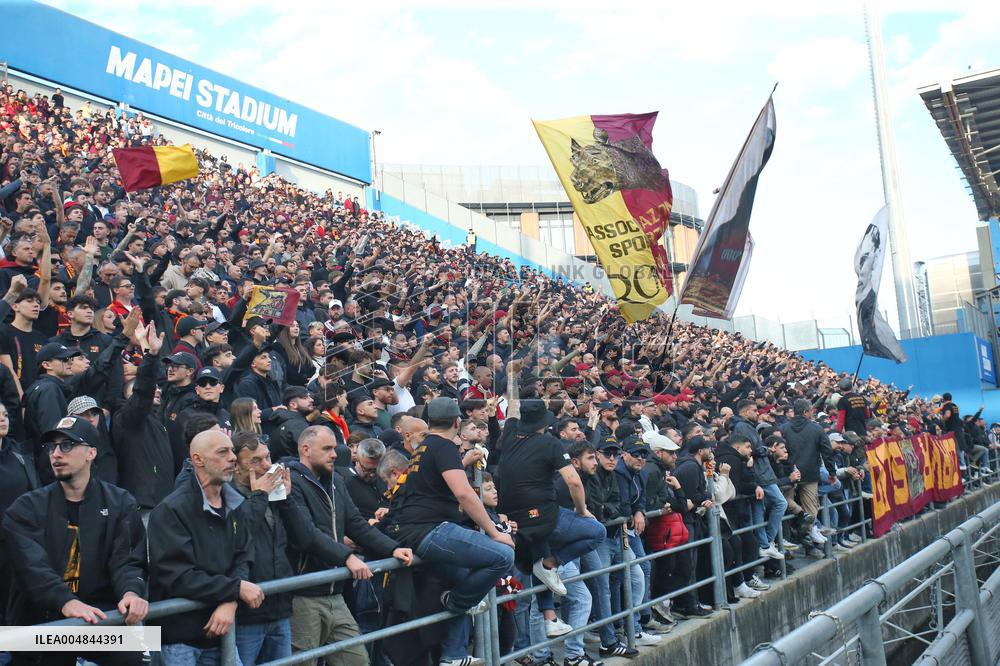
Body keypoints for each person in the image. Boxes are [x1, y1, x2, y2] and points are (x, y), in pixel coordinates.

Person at [3, 415, 148, 666]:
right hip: (41, 623)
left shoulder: (120, 502)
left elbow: (127, 560)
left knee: (137, 658)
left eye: (67, 446)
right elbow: (32, 569)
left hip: (99, 619)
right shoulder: (26, 508)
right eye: (52, 447)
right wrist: (66, 601)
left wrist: (131, 591)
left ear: (91, 453)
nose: (56, 454)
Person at [383, 398, 515, 666]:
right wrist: (494, 532)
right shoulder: (443, 446)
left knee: (463, 575)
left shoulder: (425, 447)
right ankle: (456, 602)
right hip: (428, 530)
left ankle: (453, 655)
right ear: (457, 422)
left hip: (416, 529)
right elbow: (464, 493)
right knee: (502, 556)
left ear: (430, 423)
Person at [283, 426, 413, 666]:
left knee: (356, 660)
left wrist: (392, 548)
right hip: (304, 594)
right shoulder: (291, 483)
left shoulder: (335, 481)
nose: (335, 454)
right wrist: (346, 557)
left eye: (334, 448)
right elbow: (306, 534)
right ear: (305, 449)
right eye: (327, 449)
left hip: (337, 592)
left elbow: (355, 523)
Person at [147, 429, 264, 664]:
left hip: (222, 631)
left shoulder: (235, 503)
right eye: (223, 452)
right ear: (198, 459)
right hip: (179, 639)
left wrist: (230, 600)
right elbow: (176, 576)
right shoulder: (171, 510)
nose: (232, 457)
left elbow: (243, 555)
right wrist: (235, 589)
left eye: (232, 450)